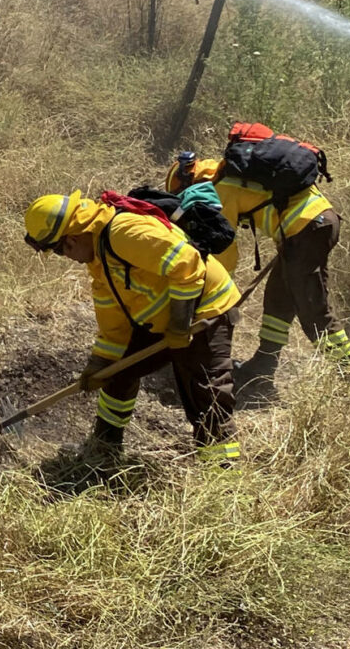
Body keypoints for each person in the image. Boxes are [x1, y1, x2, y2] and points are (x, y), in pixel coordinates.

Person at [23, 190, 241, 465]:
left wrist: (179, 325)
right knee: (119, 373)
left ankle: (223, 470)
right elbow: (114, 323)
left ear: (71, 239)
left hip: (204, 311)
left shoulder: (124, 233)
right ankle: (105, 446)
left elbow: (188, 265)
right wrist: (100, 362)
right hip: (163, 320)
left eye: (58, 250)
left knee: (204, 390)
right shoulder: (99, 259)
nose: (64, 257)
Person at [166, 149, 350, 402]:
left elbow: (223, 255)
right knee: (278, 300)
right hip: (312, 225)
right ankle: (264, 365)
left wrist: (211, 298)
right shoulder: (229, 174)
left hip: (307, 228)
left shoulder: (221, 190)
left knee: (313, 309)